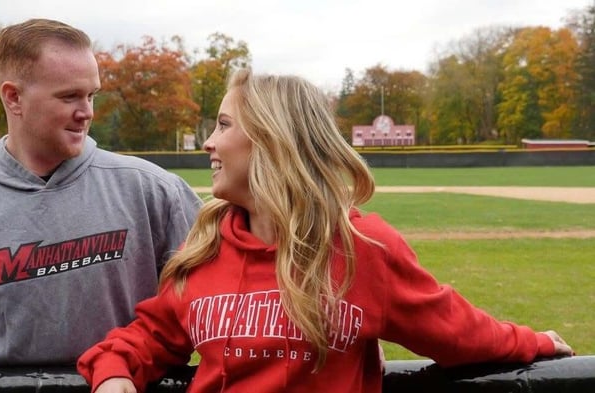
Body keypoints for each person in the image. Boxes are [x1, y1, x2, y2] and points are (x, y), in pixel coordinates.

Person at [76, 68, 574, 393]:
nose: (209, 141)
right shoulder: (203, 246)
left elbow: (460, 333)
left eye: (224, 125)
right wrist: (115, 372)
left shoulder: (364, 249)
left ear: (274, 140)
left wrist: (534, 342)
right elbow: (152, 336)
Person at [0, 18, 202, 393]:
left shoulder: (155, 192)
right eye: (69, 96)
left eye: (92, 95)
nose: (87, 111)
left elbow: (227, 297)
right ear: (13, 97)